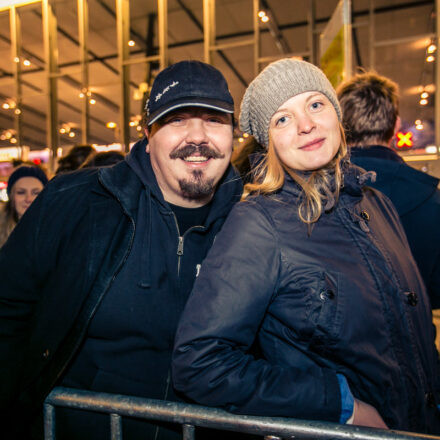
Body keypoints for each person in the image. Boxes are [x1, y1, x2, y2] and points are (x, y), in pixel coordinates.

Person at [172, 59, 440, 434]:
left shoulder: (376, 202)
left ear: (335, 112)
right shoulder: (260, 222)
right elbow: (199, 362)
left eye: (315, 104)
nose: (305, 125)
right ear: (270, 143)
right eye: (282, 119)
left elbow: (412, 327)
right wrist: (339, 405)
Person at [0, 60, 242, 439]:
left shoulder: (255, 222)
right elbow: (7, 312)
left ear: (233, 135)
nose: (198, 137)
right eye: (176, 120)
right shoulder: (74, 202)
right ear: (147, 136)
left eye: (214, 120)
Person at [337, 72, 440, 309]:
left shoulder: (318, 195)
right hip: (415, 339)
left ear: (341, 127)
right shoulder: (432, 200)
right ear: (395, 126)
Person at [0, 165, 48, 247]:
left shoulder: (59, 233)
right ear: (11, 197)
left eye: (36, 193)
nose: (28, 199)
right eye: (21, 192)